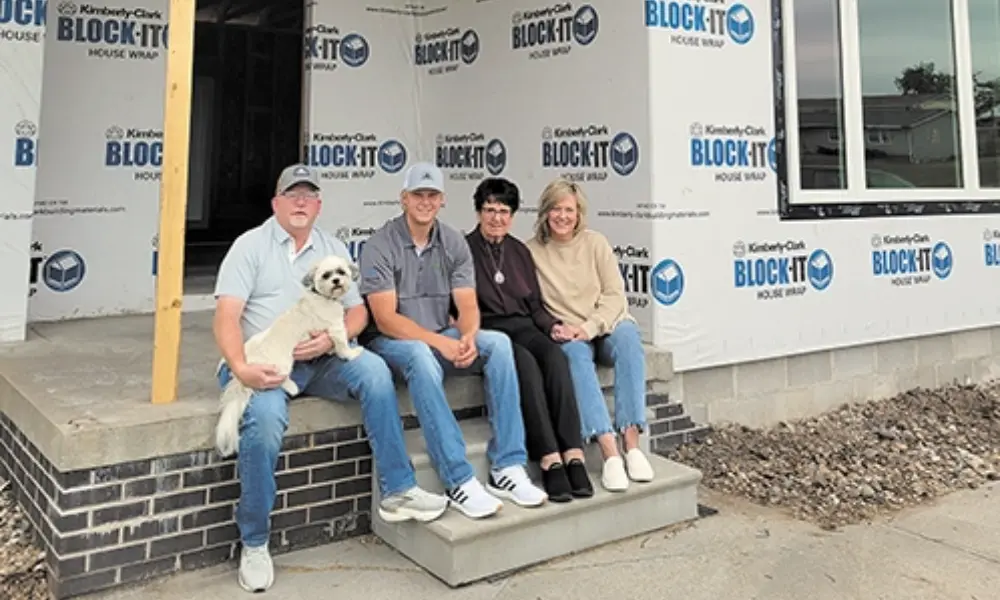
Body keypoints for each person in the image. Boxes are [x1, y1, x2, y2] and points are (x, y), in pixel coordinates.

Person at [212, 164, 449, 593]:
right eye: (292, 195)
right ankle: (254, 542)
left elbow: (357, 311)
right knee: (264, 424)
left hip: (320, 360)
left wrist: (329, 342)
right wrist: (241, 367)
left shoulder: (331, 246)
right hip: (264, 361)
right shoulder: (250, 246)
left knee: (375, 371)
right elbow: (226, 317)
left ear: (319, 204)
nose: (300, 202)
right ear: (276, 203)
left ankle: (398, 490)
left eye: (309, 195)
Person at [357, 161, 549, 519]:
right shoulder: (379, 244)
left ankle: (507, 466)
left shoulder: (453, 241)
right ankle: (458, 478)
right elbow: (385, 319)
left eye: (432, 195)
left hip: (438, 334)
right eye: (418, 194)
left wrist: (469, 336)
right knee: (420, 355)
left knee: (499, 345)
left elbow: (466, 304)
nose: (425, 202)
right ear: (403, 198)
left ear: (442, 200)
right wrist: (442, 342)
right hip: (390, 342)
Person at [463, 177, 594, 502]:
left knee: (554, 356)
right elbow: (458, 304)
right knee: (526, 366)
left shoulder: (520, 251)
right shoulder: (463, 250)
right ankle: (549, 458)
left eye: (504, 211)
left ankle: (573, 453)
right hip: (489, 329)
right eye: (490, 210)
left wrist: (552, 327)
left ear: (514, 214)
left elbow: (535, 306)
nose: (497, 218)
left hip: (524, 324)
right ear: (479, 211)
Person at [526, 178, 656, 492]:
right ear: (545, 212)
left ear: (579, 212)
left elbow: (614, 295)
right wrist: (563, 329)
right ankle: (608, 449)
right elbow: (532, 302)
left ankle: (632, 442)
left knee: (628, 338)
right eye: (555, 209)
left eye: (569, 209)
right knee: (571, 354)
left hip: (605, 326)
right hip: (569, 332)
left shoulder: (595, 242)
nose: (562, 216)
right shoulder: (530, 251)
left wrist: (590, 327)